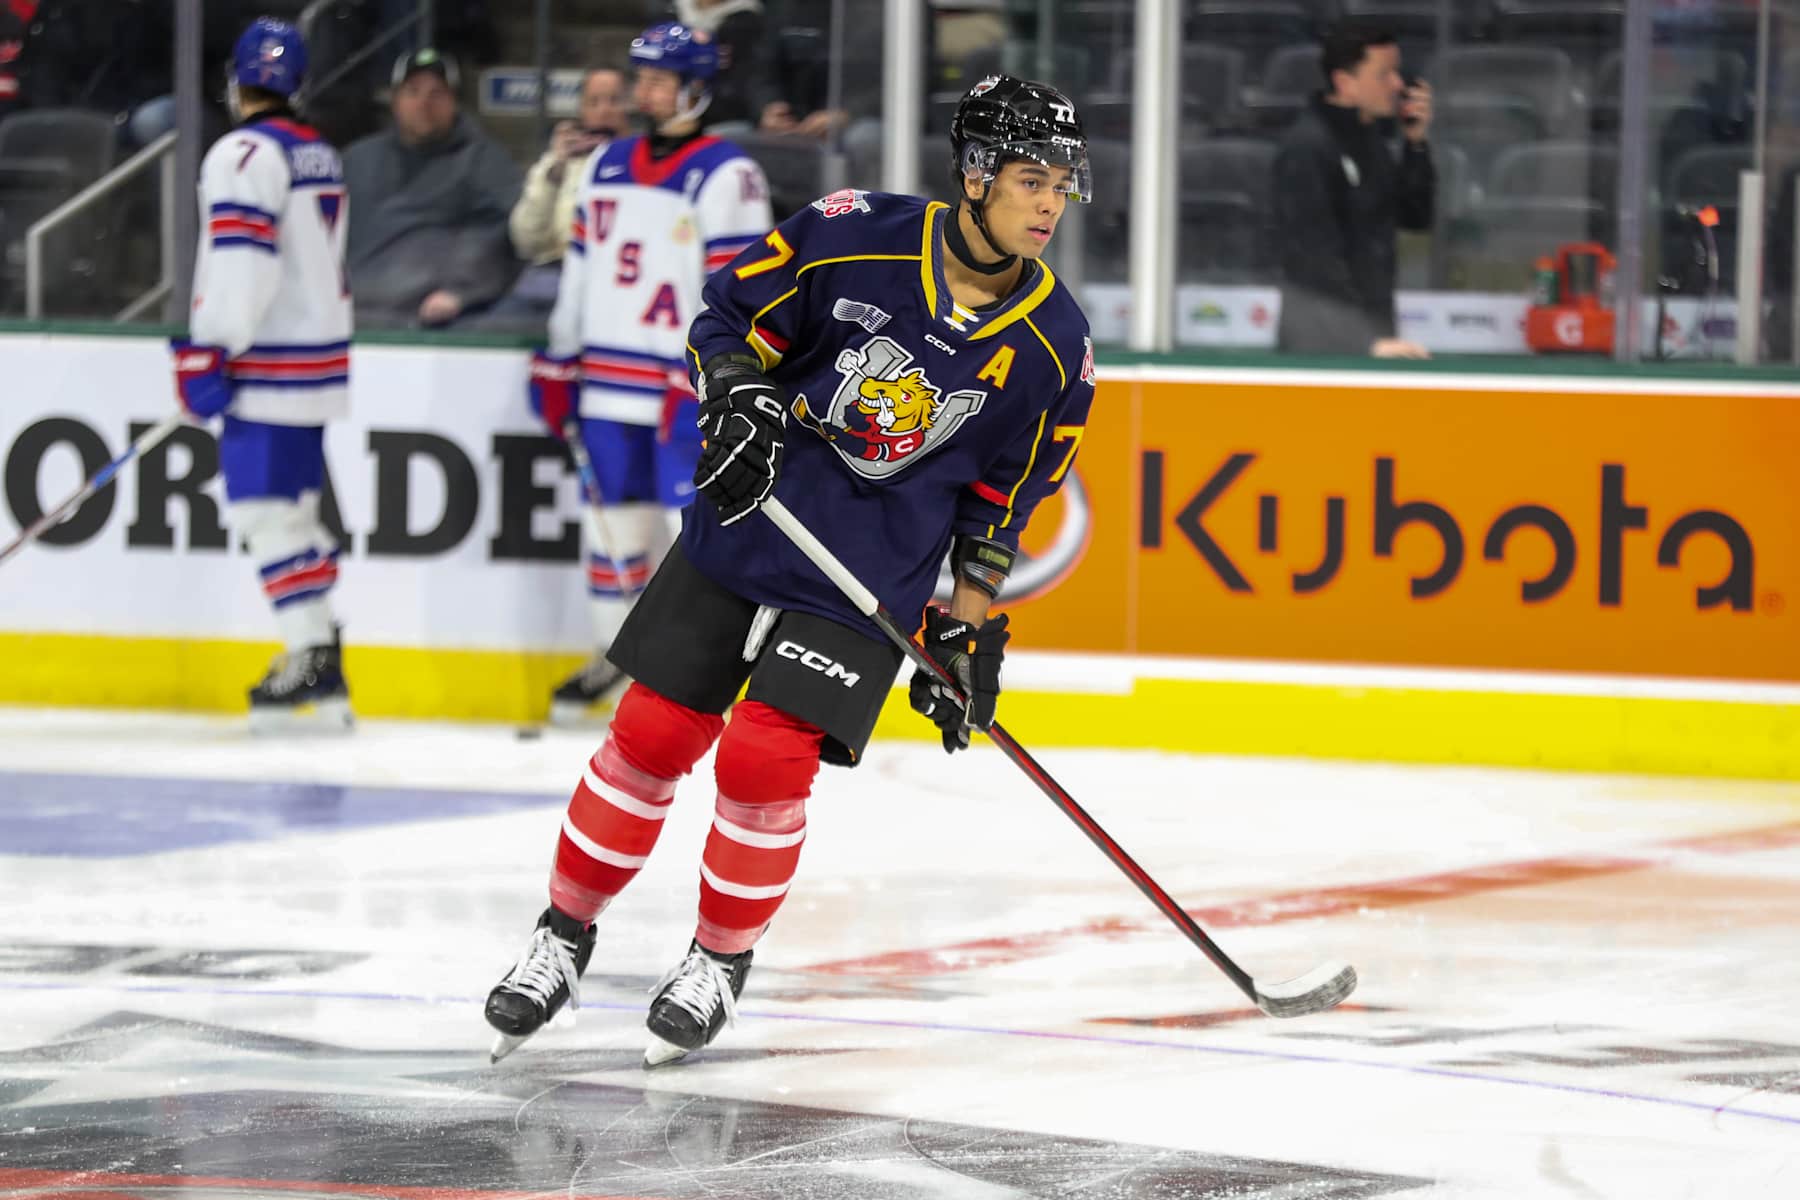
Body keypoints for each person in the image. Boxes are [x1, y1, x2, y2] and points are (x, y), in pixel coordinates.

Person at [485, 73, 1096, 1067]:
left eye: (1063, 184)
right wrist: (736, 395)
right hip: (753, 523)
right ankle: (561, 935)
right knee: (651, 732)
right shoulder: (852, 230)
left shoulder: (1054, 345)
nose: (1049, 203)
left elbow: (1004, 499)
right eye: (1032, 178)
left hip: (875, 575)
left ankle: (719, 960)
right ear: (976, 173)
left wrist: (969, 619)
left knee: (764, 758)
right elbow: (725, 325)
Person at [525, 22, 772, 724]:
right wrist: (558, 355)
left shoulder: (731, 175)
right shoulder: (604, 163)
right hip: (604, 383)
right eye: (643, 79)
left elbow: (740, 293)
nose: (647, 92)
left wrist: (704, 377)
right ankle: (614, 656)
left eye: (661, 80)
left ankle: (702, 670)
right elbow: (580, 272)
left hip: (678, 387)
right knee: (611, 528)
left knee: (695, 534)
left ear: (696, 88)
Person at [168, 16, 353, 731]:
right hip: (314, 359)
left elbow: (244, 264)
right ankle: (322, 654)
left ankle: (312, 654)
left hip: (267, 362)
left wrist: (211, 345)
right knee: (294, 513)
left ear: (234, 80)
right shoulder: (317, 151)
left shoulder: (241, 153)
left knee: (263, 514)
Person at [1273, 22, 1435, 359]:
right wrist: (1362, 341)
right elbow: (1313, 260)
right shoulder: (1308, 148)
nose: (1398, 84)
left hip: (1372, 335)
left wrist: (1415, 144)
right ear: (1345, 83)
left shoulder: (1370, 138)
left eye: (1397, 72)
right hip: (1323, 349)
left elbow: (1415, 216)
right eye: (1384, 74)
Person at [341, 48, 521, 329]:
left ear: (454, 102)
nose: (424, 103)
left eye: (436, 94)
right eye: (413, 92)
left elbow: (506, 233)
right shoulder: (358, 160)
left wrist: (463, 290)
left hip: (429, 322)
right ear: (395, 101)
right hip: (350, 315)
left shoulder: (484, 162)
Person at [489, 67, 628, 321]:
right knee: (495, 326)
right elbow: (526, 241)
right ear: (581, 110)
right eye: (594, 101)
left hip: (611, 279)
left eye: (614, 100)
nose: (604, 110)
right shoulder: (556, 163)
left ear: (629, 107)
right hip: (549, 276)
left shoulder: (641, 163)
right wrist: (555, 174)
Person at [671, 0, 764, 130]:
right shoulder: (672, 11)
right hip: (669, 104)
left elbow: (745, 82)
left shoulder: (746, 21)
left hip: (721, 115)